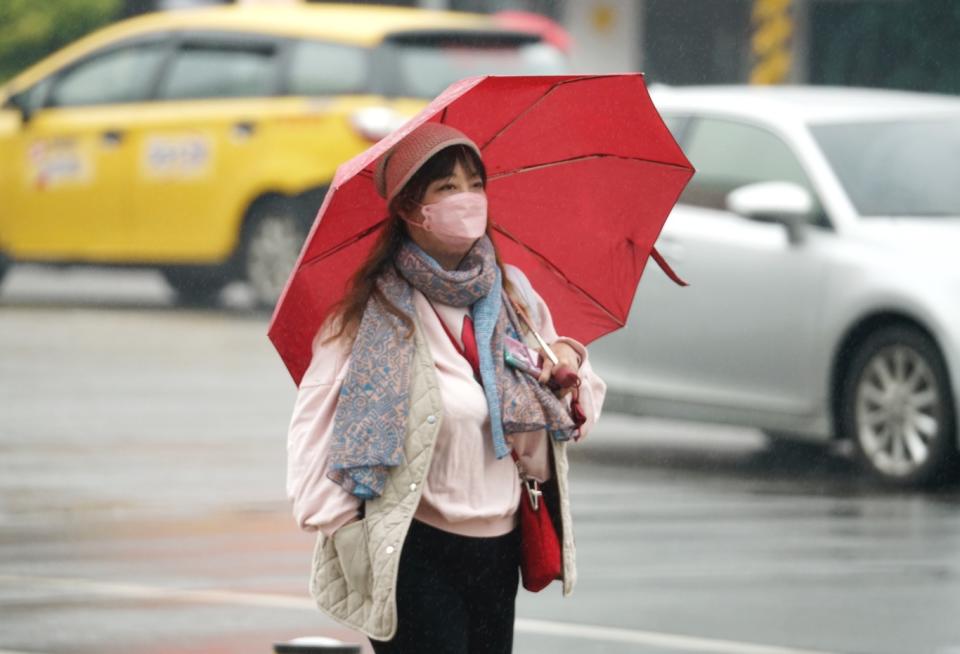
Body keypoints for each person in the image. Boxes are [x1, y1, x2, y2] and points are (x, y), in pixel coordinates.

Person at [286, 122, 606, 653]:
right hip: (414, 550)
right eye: (447, 188)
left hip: (500, 550)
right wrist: (346, 534)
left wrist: (567, 362)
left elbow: (580, 412)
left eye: (476, 183)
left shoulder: (514, 297)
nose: (468, 199)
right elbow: (311, 431)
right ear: (413, 208)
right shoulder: (371, 314)